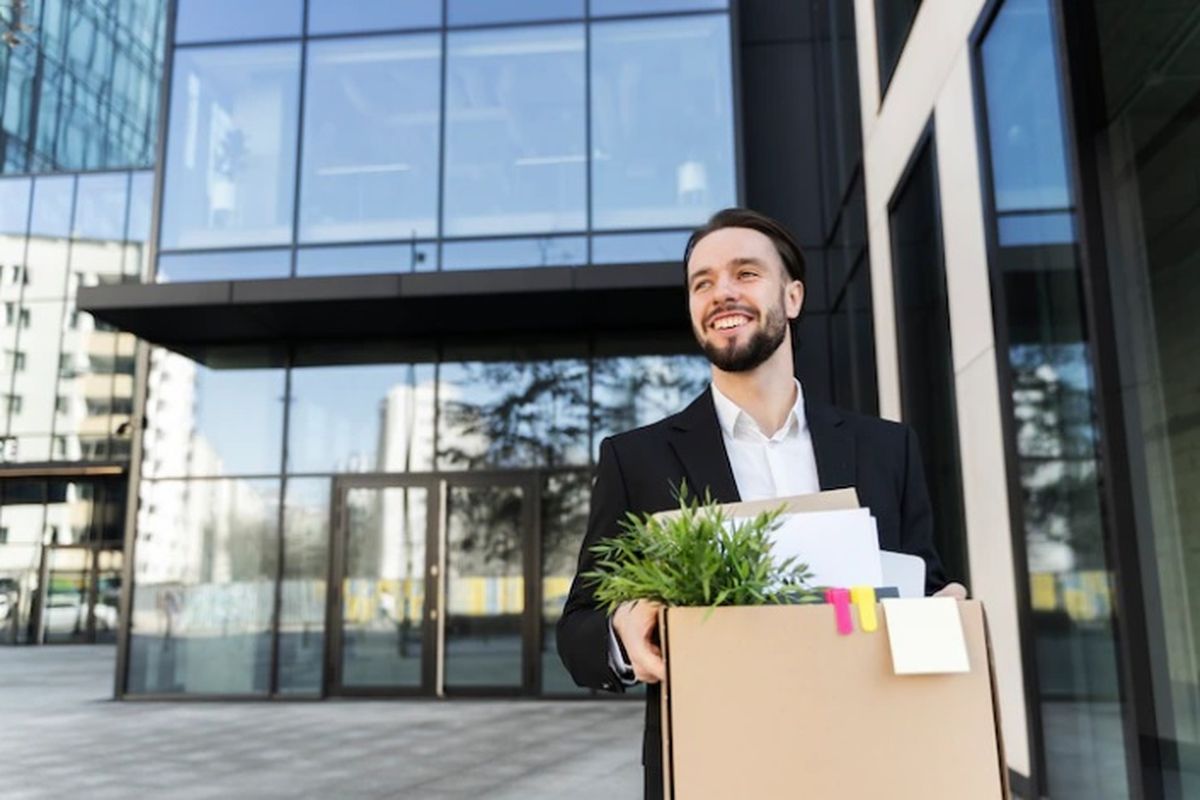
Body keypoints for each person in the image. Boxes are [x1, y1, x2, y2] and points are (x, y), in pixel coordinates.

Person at [556, 207, 967, 799]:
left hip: (871, 763)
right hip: (711, 770)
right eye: (703, 282)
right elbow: (577, 634)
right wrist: (623, 634)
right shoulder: (636, 460)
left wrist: (943, 612)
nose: (722, 291)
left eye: (745, 273)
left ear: (792, 296)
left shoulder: (887, 448)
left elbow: (919, 590)